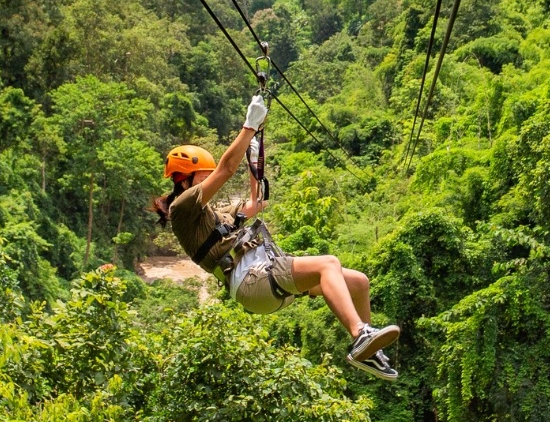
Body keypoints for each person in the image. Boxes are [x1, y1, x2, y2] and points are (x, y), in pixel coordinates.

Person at [154, 94, 400, 380]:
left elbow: (256, 204)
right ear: (184, 179)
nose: (208, 181)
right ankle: (359, 334)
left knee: (358, 282)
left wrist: (253, 158)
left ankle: (368, 351)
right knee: (328, 264)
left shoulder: (213, 214)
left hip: (261, 278)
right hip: (253, 279)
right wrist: (248, 126)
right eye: (202, 176)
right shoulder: (182, 209)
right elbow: (225, 169)